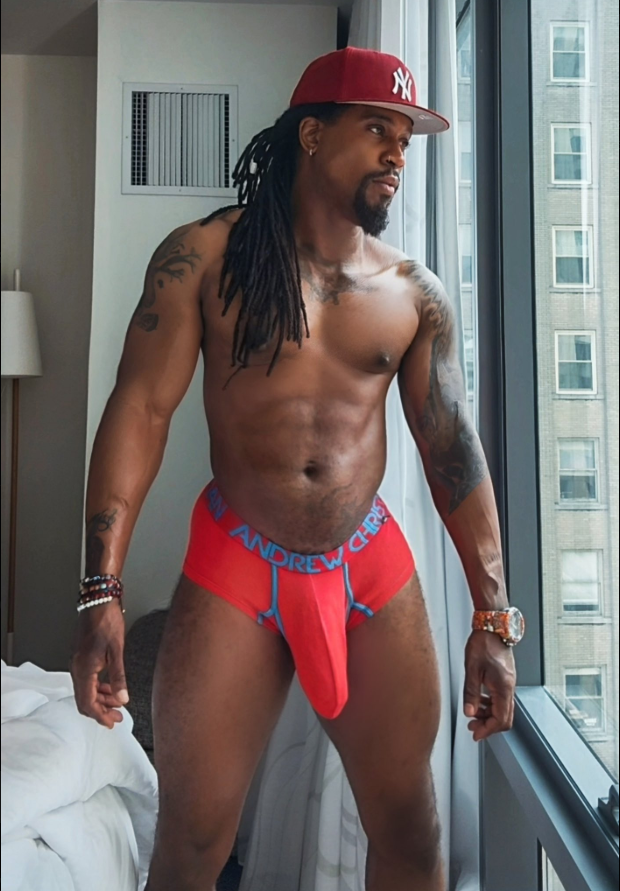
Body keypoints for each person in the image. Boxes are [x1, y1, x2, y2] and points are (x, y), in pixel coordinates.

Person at [70, 47, 524, 891]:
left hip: (367, 568)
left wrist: (494, 619)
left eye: (406, 140)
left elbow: (452, 452)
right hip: (237, 565)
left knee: (412, 832)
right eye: (378, 129)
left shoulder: (413, 295)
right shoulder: (204, 259)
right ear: (312, 135)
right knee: (191, 845)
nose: (397, 153)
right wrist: (102, 591)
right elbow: (141, 411)